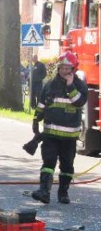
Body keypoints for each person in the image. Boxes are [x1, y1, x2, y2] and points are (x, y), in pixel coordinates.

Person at [30, 52, 88, 205]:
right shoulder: (50, 84)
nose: (64, 71)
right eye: (62, 67)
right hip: (50, 134)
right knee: (48, 162)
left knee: (67, 165)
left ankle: (63, 192)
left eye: (67, 68)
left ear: (73, 69)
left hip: (69, 137)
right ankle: (44, 191)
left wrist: (70, 86)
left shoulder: (80, 85)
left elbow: (79, 102)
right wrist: (36, 119)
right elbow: (42, 103)